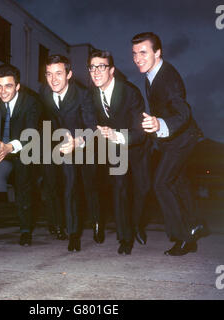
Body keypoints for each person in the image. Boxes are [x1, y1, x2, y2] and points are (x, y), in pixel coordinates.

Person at [131, 32, 206, 256]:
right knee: (178, 182)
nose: (137, 58)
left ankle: (182, 237)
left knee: (161, 184)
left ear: (158, 52)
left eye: (143, 52)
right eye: (134, 53)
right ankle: (195, 225)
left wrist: (160, 124)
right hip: (174, 139)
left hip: (183, 137)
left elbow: (184, 112)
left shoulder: (168, 78)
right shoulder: (151, 74)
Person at [88, 50, 148, 255]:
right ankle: (125, 238)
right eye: (92, 67)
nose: (96, 72)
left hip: (136, 146)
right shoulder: (92, 94)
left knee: (141, 191)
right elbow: (88, 122)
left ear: (111, 70)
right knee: (120, 188)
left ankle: (137, 225)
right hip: (114, 150)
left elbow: (140, 132)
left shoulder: (130, 92)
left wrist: (118, 136)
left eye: (101, 67)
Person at [40, 54, 100, 251]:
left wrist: (78, 141)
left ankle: (97, 222)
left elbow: (92, 127)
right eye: (49, 74)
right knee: (66, 187)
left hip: (84, 145)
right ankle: (72, 234)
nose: (53, 79)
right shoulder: (45, 94)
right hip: (58, 147)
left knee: (90, 189)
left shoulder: (83, 95)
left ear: (69, 74)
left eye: (59, 73)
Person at [0, 64, 41, 246]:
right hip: (10, 144)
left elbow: (32, 134)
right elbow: (0, 101)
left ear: (18, 86)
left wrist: (10, 147)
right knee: (21, 186)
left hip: (34, 143)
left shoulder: (32, 104)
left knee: (30, 185)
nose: (3, 92)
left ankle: (44, 227)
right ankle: (25, 229)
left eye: (8, 86)